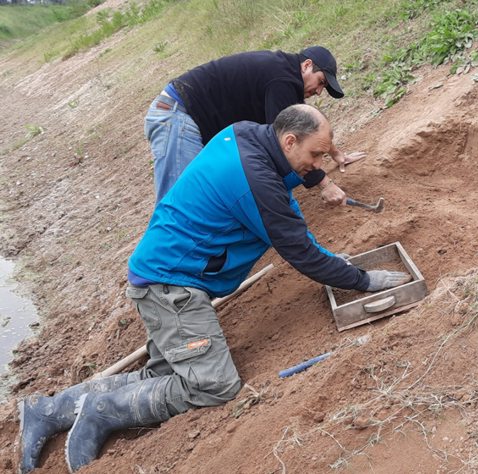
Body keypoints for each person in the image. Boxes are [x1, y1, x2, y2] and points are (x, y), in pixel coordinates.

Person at [17, 104, 409, 473]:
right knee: (214, 385)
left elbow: (285, 187)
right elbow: (300, 251)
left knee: (164, 374)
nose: (318, 165)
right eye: (316, 154)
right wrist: (362, 279)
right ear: (289, 141)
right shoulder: (256, 183)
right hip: (172, 287)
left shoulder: (247, 135)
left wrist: (317, 173)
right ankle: (105, 410)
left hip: (161, 271)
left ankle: (48, 411)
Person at [145, 45, 365, 203]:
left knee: (206, 194)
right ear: (307, 65)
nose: (318, 91)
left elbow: (306, 127)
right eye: (321, 82)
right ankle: (161, 265)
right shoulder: (283, 80)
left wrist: (336, 153)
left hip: (191, 119)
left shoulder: (284, 74)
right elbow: (284, 140)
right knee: (177, 200)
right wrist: (325, 184)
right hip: (177, 115)